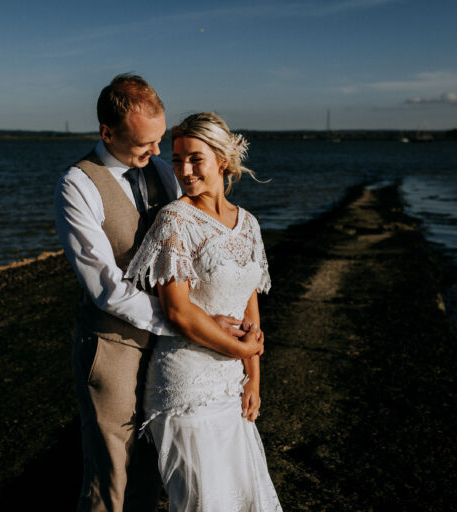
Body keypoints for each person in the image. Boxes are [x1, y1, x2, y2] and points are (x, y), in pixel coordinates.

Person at [54, 75, 264, 511]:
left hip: (176, 347)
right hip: (116, 343)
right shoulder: (78, 185)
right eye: (143, 145)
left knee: (153, 476)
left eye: (158, 143)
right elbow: (105, 288)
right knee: (112, 474)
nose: (155, 155)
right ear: (107, 133)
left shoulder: (165, 171)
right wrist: (185, 319)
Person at [125, 112, 282, 511]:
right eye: (177, 160)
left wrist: (254, 379)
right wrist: (244, 351)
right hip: (185, 388)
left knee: (246, 499)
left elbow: (250, 310)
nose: (185, 170)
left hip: (232, 387)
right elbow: (176, 312)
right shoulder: (174, 220)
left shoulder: (248, 224)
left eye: (195, 158)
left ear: (223, 160)